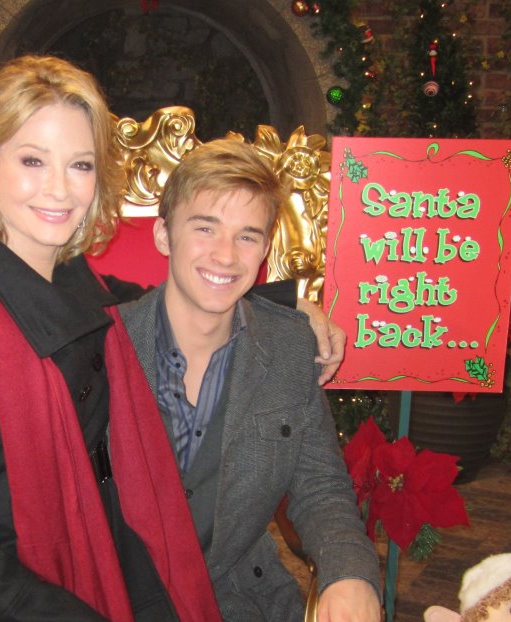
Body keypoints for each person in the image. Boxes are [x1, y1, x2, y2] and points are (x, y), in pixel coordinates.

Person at [0, 54, 346, 621]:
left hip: (100, 566)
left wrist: (290, 301)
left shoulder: (76, 282)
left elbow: (175, 295)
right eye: (33, 160)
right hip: (12, 602)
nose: (59, 189)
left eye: (79, 164)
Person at [117, 138, 382, 622]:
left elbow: (320, 486)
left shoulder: (288, 348)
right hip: (116, 599)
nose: (226, 256)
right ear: (163, 235)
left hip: (239, 598)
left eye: (247, 236)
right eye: (205, 228)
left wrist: (350, 574)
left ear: (264, 248)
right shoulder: (105, 343)